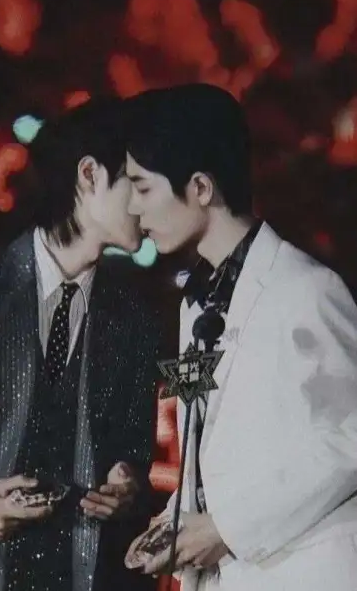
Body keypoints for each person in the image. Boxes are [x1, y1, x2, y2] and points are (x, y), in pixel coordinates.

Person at [0, 97, 160, 591]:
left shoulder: (133, 320)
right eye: (140, 183)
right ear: (90, 176)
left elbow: (136, 456)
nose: (152, 203)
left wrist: (129, 487)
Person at [123, 83, 357, 591]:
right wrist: (177, 519)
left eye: (142, 189)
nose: (134, 211)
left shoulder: (306, 290)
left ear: (201, 188)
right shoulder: (194, 304)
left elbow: (351, 438)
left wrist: (227, 528)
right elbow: (207, 447)